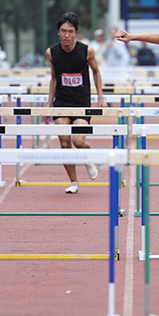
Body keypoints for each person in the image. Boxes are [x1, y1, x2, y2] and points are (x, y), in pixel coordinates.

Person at [46, 12, 106, 194]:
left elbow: (96, 72)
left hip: (81, 101)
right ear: (58, 32)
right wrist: (49, 103)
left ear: (76, 33)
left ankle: (87, 158)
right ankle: (74, 181)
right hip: (62, 101)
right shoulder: (52, 53)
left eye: (70, 31)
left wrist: (100, 98)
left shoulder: (86, 51)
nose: (66, 35)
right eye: (63, 31)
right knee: (64, 141)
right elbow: (54, 78)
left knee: (78, 140)